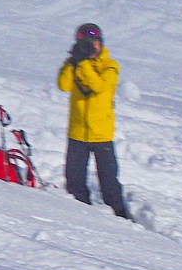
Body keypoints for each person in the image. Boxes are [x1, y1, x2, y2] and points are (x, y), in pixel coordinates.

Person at [56, 23, 131, 219]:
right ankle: (84, 217)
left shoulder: (111, 66)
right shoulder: (76, 62)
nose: (92, 47)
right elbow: (63, 85)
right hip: (77, 133)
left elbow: (98, 87)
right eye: (87, 44)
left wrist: (83, 64)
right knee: (74, 181)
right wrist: (72, 62)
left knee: (108, 182)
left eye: (95, 43)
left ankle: (122, 216)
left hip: (101, 134)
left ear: (101, 43)